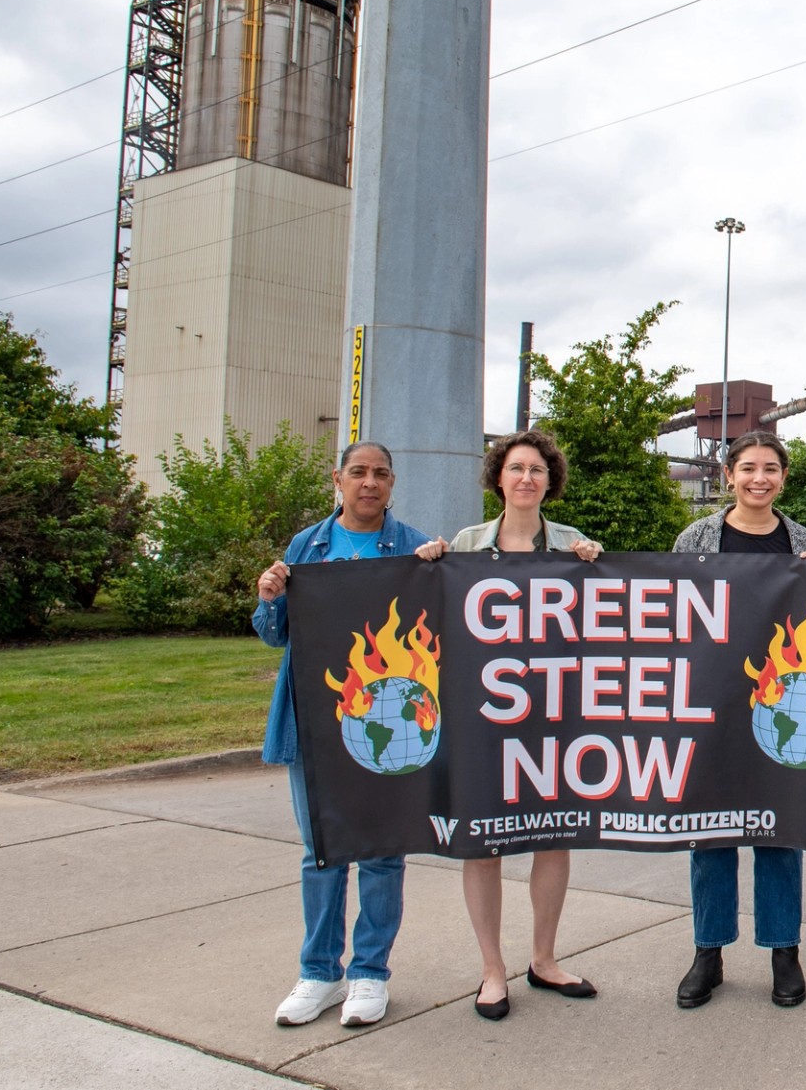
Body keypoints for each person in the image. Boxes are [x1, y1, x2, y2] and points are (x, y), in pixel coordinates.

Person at [415, 430, 603, 1020]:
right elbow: (435, 619)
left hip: (554, 711)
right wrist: (427, 569)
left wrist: (599, 566)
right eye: (517, 468)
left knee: (554, 833)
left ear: (550, 481)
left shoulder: (574, 544)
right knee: (483, 839)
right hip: (485, 715)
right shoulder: (465, 544)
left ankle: (544, 960)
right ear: (499, 477)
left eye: (537, 470)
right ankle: (492, 970)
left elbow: (606, 619)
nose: (527, 478)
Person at [254, 441, 430, 1029]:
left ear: (392, 483)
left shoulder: (412, 546)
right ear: (338, 479)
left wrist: (439, 570)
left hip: (386, 724)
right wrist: (269, 598)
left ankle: (369, 974)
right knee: (321, 852)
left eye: (380, 474)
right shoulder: (308, 546)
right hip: (315, 723)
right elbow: (276, 635)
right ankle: (319, 973)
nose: (369, 483)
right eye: (359, 472)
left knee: (382, 851)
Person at [668, 429, 806, 1010]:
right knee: (709, 831)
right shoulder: (696, 538)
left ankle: (784, 950)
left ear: (783, 478)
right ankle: (708, 952)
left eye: (771, 469)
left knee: (779, 830)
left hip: (779, 707)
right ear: (728, 474)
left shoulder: (800, 540)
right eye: (749, 468)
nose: (760, 479)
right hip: (710, 701)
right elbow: (671, 615)